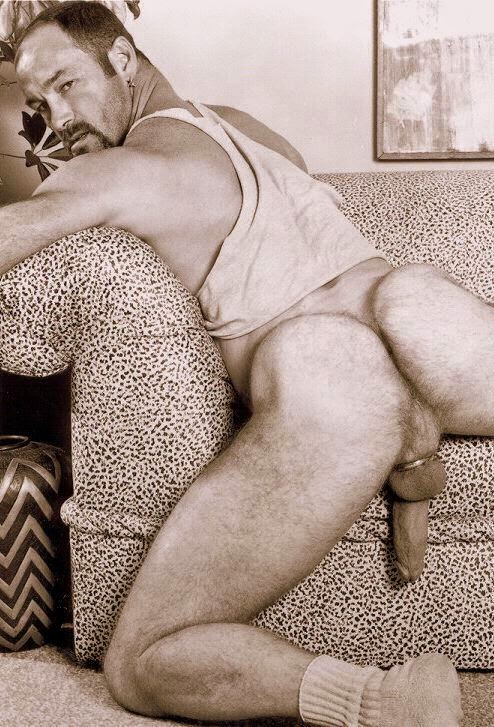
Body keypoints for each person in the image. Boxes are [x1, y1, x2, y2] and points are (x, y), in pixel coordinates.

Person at [2, 1, 483, 724]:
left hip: (333, 378)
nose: (55, 120)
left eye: (67, 84)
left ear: (122, 60)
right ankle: (411, 448)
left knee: (142, 661)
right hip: (420, 310)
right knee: (399, 307)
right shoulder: (248, 129)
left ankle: (383, 703)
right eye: (38, 104)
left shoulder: (111, 174)